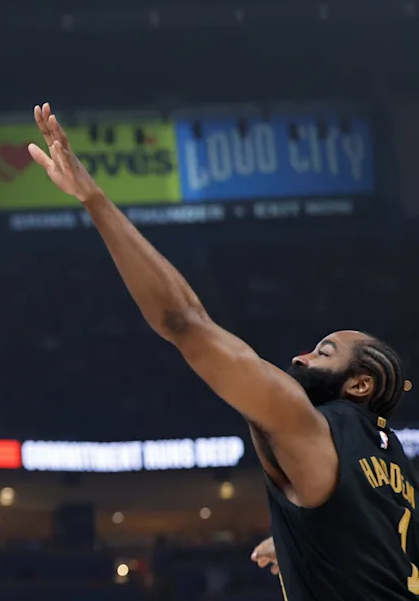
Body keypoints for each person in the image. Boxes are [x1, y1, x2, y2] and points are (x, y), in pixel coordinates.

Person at [29, 102, 416, 600]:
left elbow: (183, 322)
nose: (300, 358)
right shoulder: (396, 468)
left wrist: (95, 199)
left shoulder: (311, 426)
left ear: (359, 383)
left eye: (324, 351)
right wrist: (300, 540)